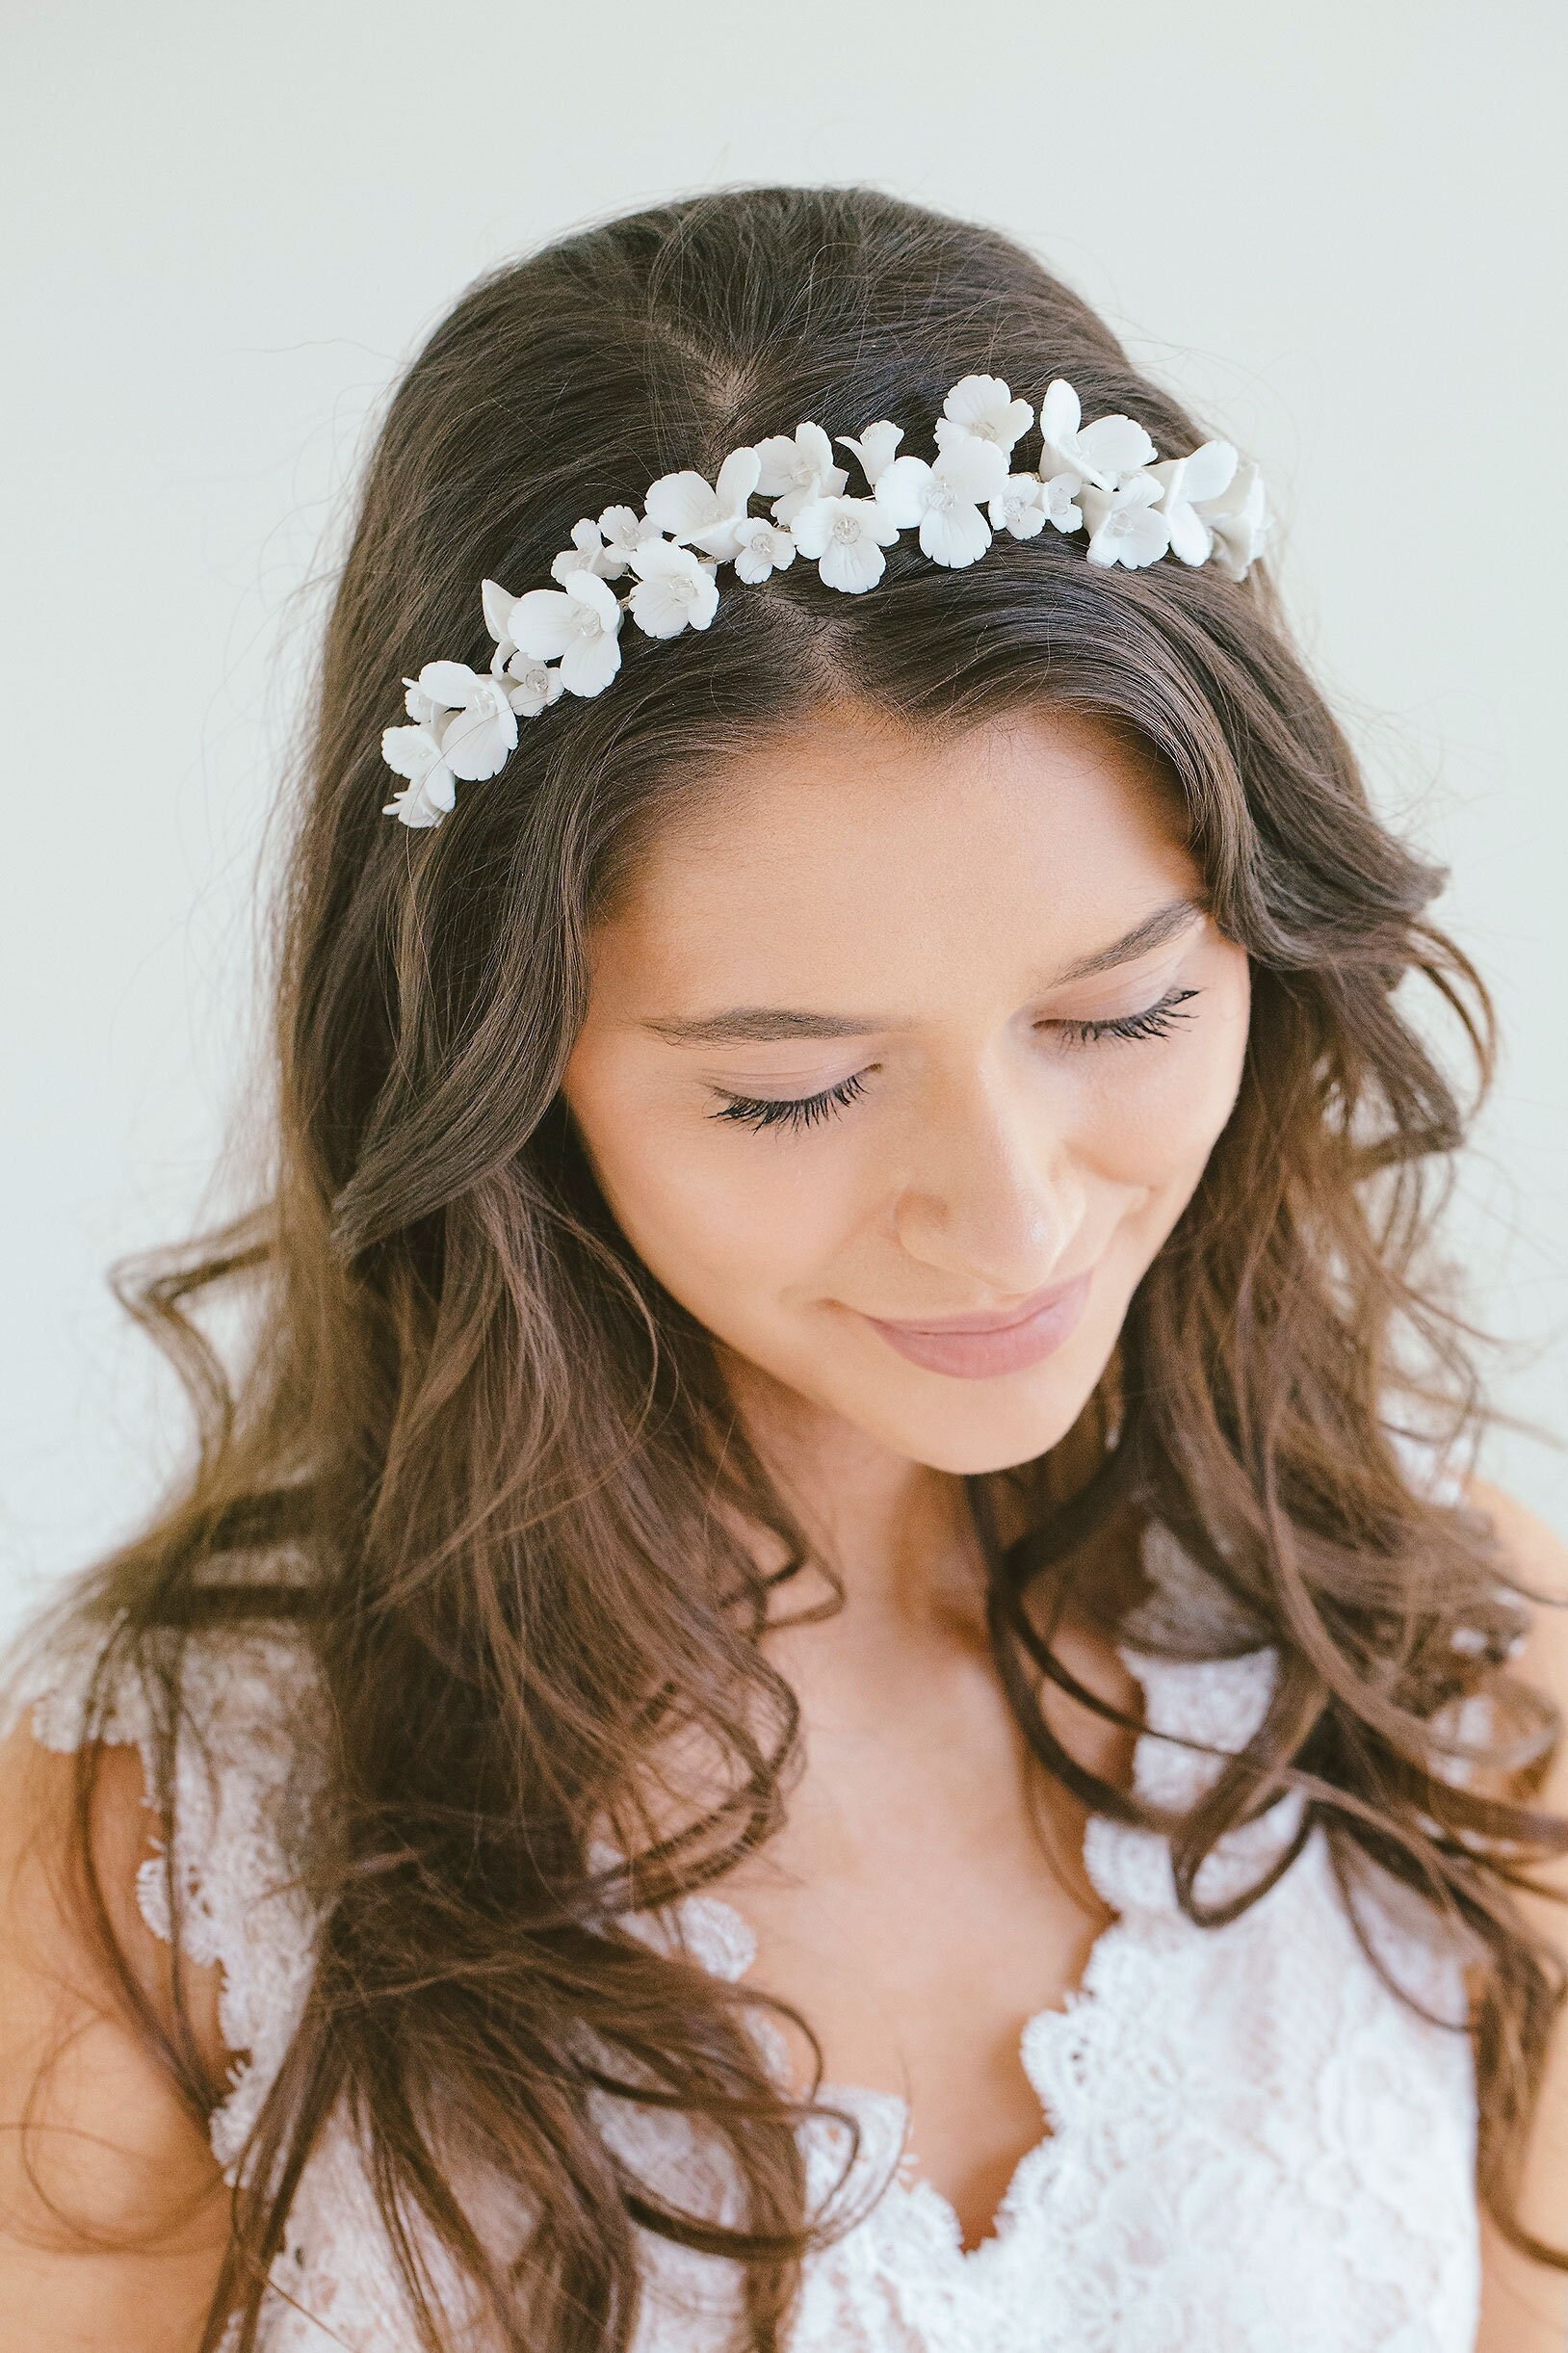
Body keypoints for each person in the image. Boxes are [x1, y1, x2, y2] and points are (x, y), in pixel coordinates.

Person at [1, 182, 1565, 2353]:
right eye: (794, 1088)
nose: (1011, 1214)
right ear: (500, 1062)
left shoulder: (1454, 1691)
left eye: (1117, 1014)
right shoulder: (157, 1851)